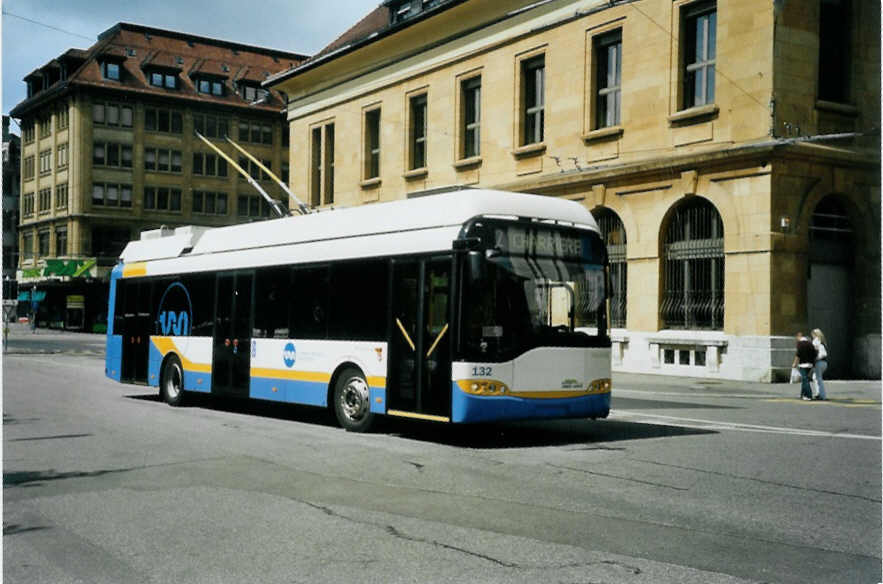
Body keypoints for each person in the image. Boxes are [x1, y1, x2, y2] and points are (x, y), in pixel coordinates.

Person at [792, 332, 816, 401]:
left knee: (805, 380)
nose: (796, 339)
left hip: (803, 364)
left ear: (799, 336)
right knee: (804, 379)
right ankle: (802, 394)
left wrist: (794, 363)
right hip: (810, 364)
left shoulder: (800, 344)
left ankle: (809, 395)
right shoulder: (810, 343)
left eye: (796, 338)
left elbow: (798, 354)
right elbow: (814, 353)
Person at [811, 328, 828, 401]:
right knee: (815, 377)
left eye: (812, 335)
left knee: (818, 378)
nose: (812, 336)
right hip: (824, 363)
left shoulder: (816, 341)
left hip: (819, 362)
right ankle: (818, 394)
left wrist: (816, 359)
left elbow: (823, 354)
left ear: (815, 334)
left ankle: (822, 395)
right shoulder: (822, 341)